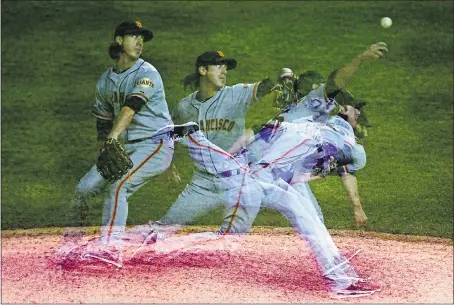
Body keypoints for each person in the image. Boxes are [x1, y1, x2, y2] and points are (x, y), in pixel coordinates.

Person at [140, 122, 380, 298]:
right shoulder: (342, 146)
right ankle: (195, 137)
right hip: (263, 174)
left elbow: (279, 148)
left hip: (267, 163)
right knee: (239, 204)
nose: (341, 168)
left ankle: (340, 277)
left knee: (307, 217)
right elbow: (295, 163)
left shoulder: (316, 129)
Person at [58, 20, 174, 264]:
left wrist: (113, 137)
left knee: (118, 187)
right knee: (83, 189)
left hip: (155, 145)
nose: (139, 42)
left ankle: (110, 250)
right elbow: (102, 124)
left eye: (142, 38)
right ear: (119, 40)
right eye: (133, 36)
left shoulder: (147, 73)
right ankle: (70, 244)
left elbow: (131, 107)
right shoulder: (105, 81)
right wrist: (103, 151)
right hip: (124, 148)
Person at [160, 50, 278, 234]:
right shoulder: (185, 107)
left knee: (232, 239)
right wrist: (167, 166)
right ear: (202, 70)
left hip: (237, 181)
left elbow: (263, 87)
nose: (224, 71)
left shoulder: (235, 94)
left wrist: (282, 76)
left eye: (226, 67)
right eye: (218, 66)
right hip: (203, 184)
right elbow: (170, 135)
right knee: (163, 228)